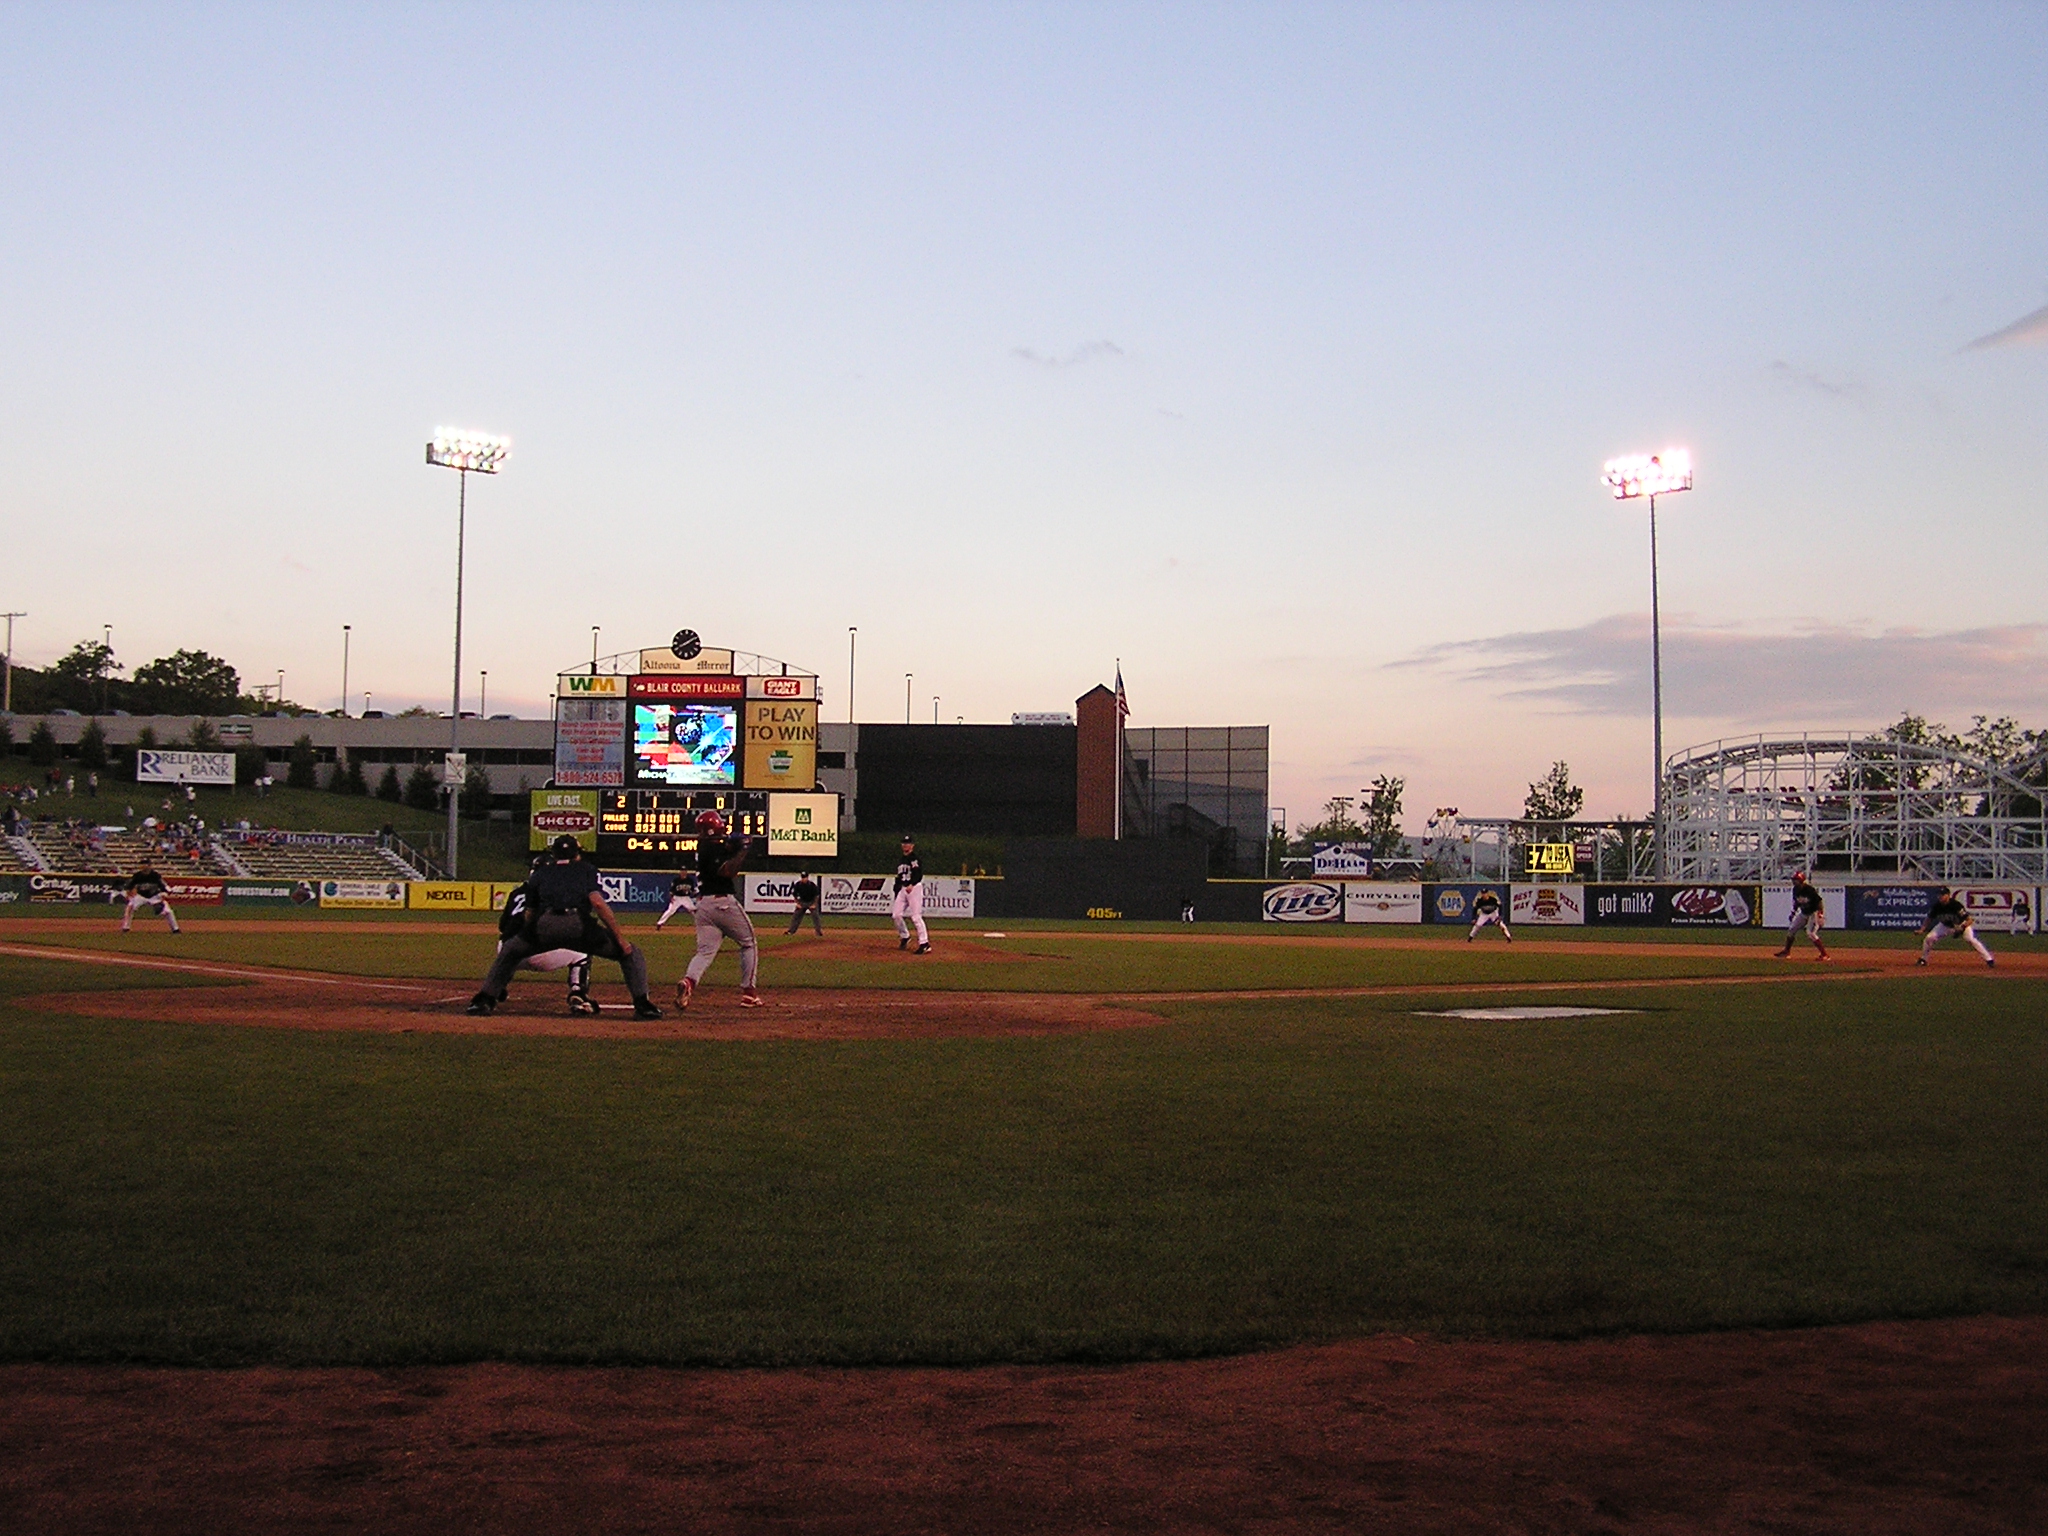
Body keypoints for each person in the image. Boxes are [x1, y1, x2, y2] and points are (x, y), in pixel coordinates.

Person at [468, 836, 660, 1018]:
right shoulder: (586, 869)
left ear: (553, 855)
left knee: (510, 951)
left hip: (544, 925)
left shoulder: (541, 873)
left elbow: (530, 914)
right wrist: (620, 940)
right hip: (577, 924)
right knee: (631, 953)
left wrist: (526, 938)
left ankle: (483, 1000)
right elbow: (599, 904)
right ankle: (643, 1005)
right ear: (577, 854)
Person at [676, 809, 762, 1008]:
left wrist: (733, 845)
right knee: (749, 943)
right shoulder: (710, 849)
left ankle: (689, 981)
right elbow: (728, 871)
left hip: (704, 906)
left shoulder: (706, 846)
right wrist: (743, 849)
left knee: (705, 952)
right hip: (722, 903)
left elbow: (725, 851)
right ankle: (749, 993)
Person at [493, 856, 597, 1014]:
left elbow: (503, 926)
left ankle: (496, 988)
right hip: (541, 953)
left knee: (508, 942)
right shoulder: (556, 893)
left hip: (508, 952)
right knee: (583, 952)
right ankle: (578, 994)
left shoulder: (516, 893)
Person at [1917, 886, 1994, 968]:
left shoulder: (1955, 905)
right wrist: (1922, 929)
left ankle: (1989, 959)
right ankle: (1923, 959)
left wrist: (1962, 927)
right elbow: (1929, 918)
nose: (1940, 896)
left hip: (1961, 924)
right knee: (1929, 938)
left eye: (1943, 894)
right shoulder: (1937, 906)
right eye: (1939, 895)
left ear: (1948, 895)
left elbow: (1970, 920)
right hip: (1945, 925)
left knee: (1970, 940)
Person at [1774, 871, 1830, 960]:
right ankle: (1786, 952)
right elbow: (1796, 903)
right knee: (1792, 929)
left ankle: (1824, 955)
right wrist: (1793, 913)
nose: (1794, 881)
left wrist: (1821, 914)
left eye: (1796, 880)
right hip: (1804, 913)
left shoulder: (1809, 889)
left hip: (1813, 913)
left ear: (1801, 880)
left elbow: (1819, 901)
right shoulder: (1795, 889)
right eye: (1794, 880)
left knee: (1811, 933)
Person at [892, 834, 930, 954]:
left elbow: (918, 874)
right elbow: (900, 876)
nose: (905, 845)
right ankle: (905, 936)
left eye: (908, 843)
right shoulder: (901, 860)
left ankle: (925, 944)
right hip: (904, 889)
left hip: (914, 888)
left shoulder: (914, 859)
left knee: (916, 917)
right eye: (904, 843)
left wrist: (912, 884)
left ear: (912, 846)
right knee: (896, 915)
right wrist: (897, 887)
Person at [121, 864, 181, 934]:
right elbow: (129, 886)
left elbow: (164, 887)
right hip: (141, 896)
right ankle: (126, 927)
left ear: (150, 866)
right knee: (130, 907)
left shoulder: (155, 875)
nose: (144, 867)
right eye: (143, 865)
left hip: (155, 896)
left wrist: (164, 895)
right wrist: (129, 895)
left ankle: (175, 929)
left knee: (168, 911)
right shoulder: (137, 876)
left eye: (146, 865)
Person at [786, 870, 823, 936]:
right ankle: (791, 931)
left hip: (811, 901)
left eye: (805, 877)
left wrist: (814, 904)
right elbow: (794, 894)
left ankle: (818, 932)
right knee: (796, 916)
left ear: (807, 877)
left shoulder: (811, 885)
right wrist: (797, 903)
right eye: (803, 877)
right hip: (802, 902)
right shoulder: (798, 884)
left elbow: (817, 895)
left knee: (816, 916)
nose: (804, 879)